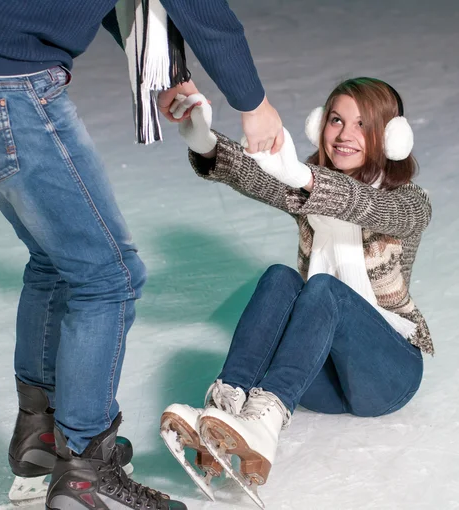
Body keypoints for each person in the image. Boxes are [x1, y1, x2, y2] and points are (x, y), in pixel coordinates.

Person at [0, 1, 285, 509]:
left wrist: (168, 74)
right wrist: (254, 103)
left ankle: (41, 436)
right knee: (108, 278)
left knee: (54, 255)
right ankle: (86, 468)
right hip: (5, 85)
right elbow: (204, 10)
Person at [161, 77, 433, 504]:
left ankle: (264, 427)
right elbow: (254, 175)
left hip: (388, 374)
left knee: (322, 288)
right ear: (318, 126)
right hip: (319, 379)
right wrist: (205, 140)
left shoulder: (409, 203)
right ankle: (227, 409)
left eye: (363, 125)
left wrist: (305, 177)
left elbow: (363, 205)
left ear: (392, 137)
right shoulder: (307, 190)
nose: (345, 135)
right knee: (280, 277)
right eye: (336, 120)